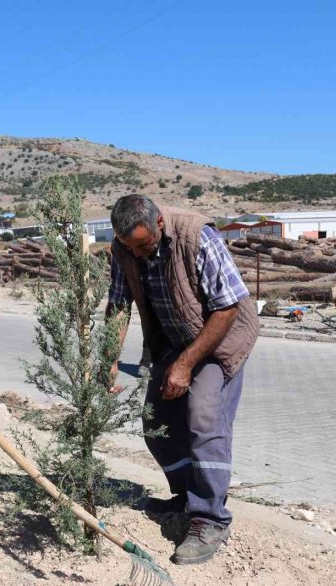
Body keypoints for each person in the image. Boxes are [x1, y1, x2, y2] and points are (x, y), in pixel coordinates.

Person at [106, 194, 258, 565]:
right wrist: (109, 358)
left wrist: (187, 364)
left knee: (203, 418)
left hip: (219, 340)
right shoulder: (124, 249)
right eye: (130, 247)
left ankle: (210, 518)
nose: (137, 254)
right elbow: (118, 303)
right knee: (156, 421)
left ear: (159, 223)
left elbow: (227, 307)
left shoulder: (197, 235)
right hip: (173, 341)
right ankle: (186, 497)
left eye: (143, 245)